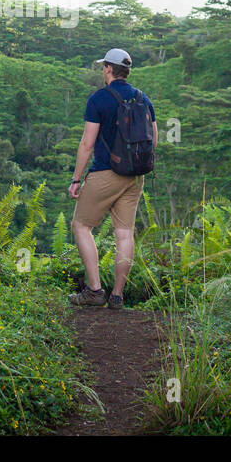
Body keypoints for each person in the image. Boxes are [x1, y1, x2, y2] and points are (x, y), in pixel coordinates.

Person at [67, 48, 157, 309]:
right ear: (126, 71)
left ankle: (94, 291)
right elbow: (154, 138)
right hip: (135, 176)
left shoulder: (99, 100)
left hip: (106, 172)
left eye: (103, 66)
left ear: (108, 68)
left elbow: (87, 144)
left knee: (81, 225)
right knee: (124, 233)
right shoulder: (144, 98)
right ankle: (117, 295)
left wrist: (76, 179)